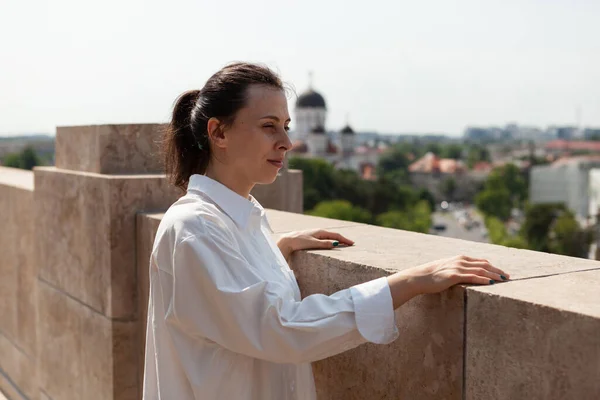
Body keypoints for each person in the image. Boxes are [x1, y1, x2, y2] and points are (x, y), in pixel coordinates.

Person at [142, 62, 509, 400]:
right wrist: (409, 281)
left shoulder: (240, 218)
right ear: (218, 132)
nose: (285, 142)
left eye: (286, 126)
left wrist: (274, 250)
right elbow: (279, 329)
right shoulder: (194, 229)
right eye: (269, 126)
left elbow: (233, 297)